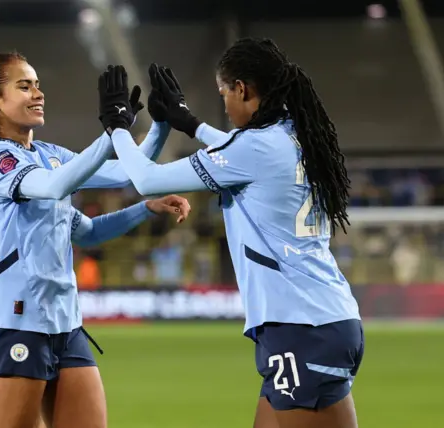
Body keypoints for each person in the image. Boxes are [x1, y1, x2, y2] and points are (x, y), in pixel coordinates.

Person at [104, 38, 364, 428]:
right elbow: (243, 149)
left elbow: (145, 179)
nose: (224, 102)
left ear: (241, 89)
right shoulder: (297, 136)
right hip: (319, 319)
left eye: (223, 92)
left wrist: (117, 127)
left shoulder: (254, 148)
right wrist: (190, 123)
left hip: (300, 328)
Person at [0, 52, 190, 428]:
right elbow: (55, 186)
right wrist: (112, 132)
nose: (38, 92)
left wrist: (161, 124)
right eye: (24, 85)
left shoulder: (48, 153)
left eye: (37, 84)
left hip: (65, 323)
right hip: (15, 321)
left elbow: (118, 174)